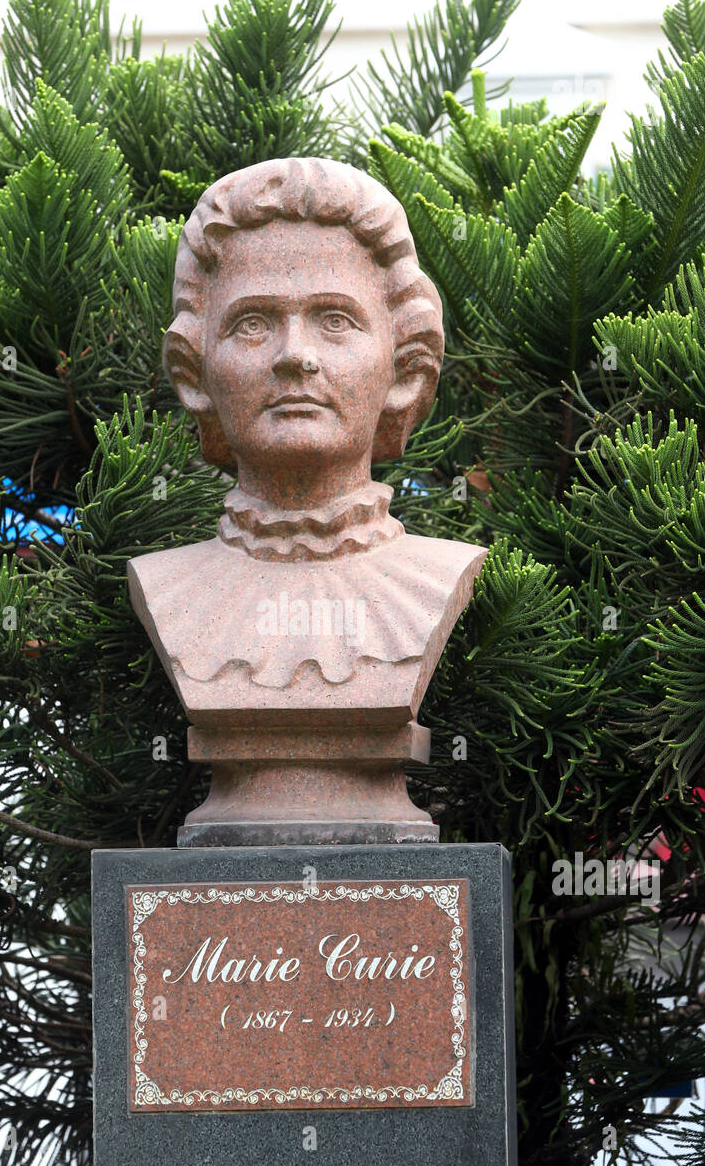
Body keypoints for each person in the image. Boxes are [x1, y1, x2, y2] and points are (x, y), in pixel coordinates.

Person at [128, 157, 486, 845]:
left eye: (335, 321)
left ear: (405, 367)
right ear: (193, 372)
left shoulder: (443, 577)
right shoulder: (165, 587)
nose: (296, 356)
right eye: (254, 324)